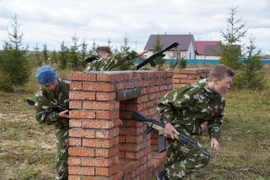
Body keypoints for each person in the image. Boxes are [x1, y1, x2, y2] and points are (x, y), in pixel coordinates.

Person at [156, 64, 235, 180]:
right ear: (215, 81)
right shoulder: (193, 91)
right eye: (227, 83)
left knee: (175, 161)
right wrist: (167, 124)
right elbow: (164, 103)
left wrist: (214, 137)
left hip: (188, 134)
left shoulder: (219, 100)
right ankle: (165, 177)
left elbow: (216, 120)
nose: (229, 86)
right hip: (175, 131)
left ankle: (167, 175)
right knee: (202, 156)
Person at [34, 65, 70, 180]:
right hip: (62, 126)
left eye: (53, 83)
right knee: (63, 156)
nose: (51, 87)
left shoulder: (68, 86)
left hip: (81, 122)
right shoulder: (41, 96)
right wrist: (57, 115)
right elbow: (40, 118)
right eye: (47, 85)